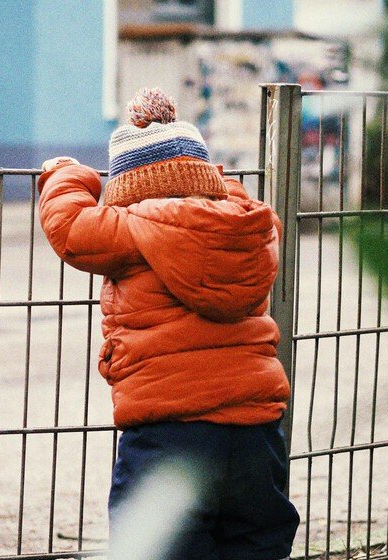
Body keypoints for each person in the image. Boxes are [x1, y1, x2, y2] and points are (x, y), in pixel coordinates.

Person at [37, 88, 299, 560]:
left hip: (169, 431)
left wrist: (66, 174)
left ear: (126, 190)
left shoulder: (129, 230)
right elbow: (223, 198)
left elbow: (69, 227)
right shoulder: (249, 227)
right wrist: (216, 185)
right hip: (256, 431)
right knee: (255, 538)